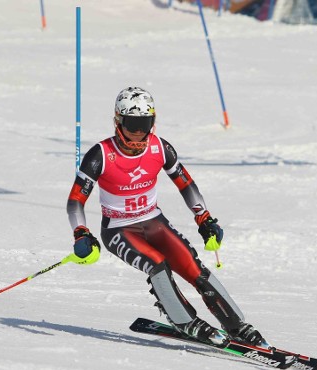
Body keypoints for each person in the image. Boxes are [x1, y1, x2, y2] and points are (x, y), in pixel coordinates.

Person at [65, 86, 267, 349]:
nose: (138, 133)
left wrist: (204, 218)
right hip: (118, 229)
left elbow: (186, 185)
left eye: (144, 124)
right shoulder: (101, 154)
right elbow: (75, 201)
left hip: (154, 221)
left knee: (193, 267)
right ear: (117, 122)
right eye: (131, 125)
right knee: (157, 265)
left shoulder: (161, 148)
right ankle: (184, 321)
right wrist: (81, 232)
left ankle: (237, 325)